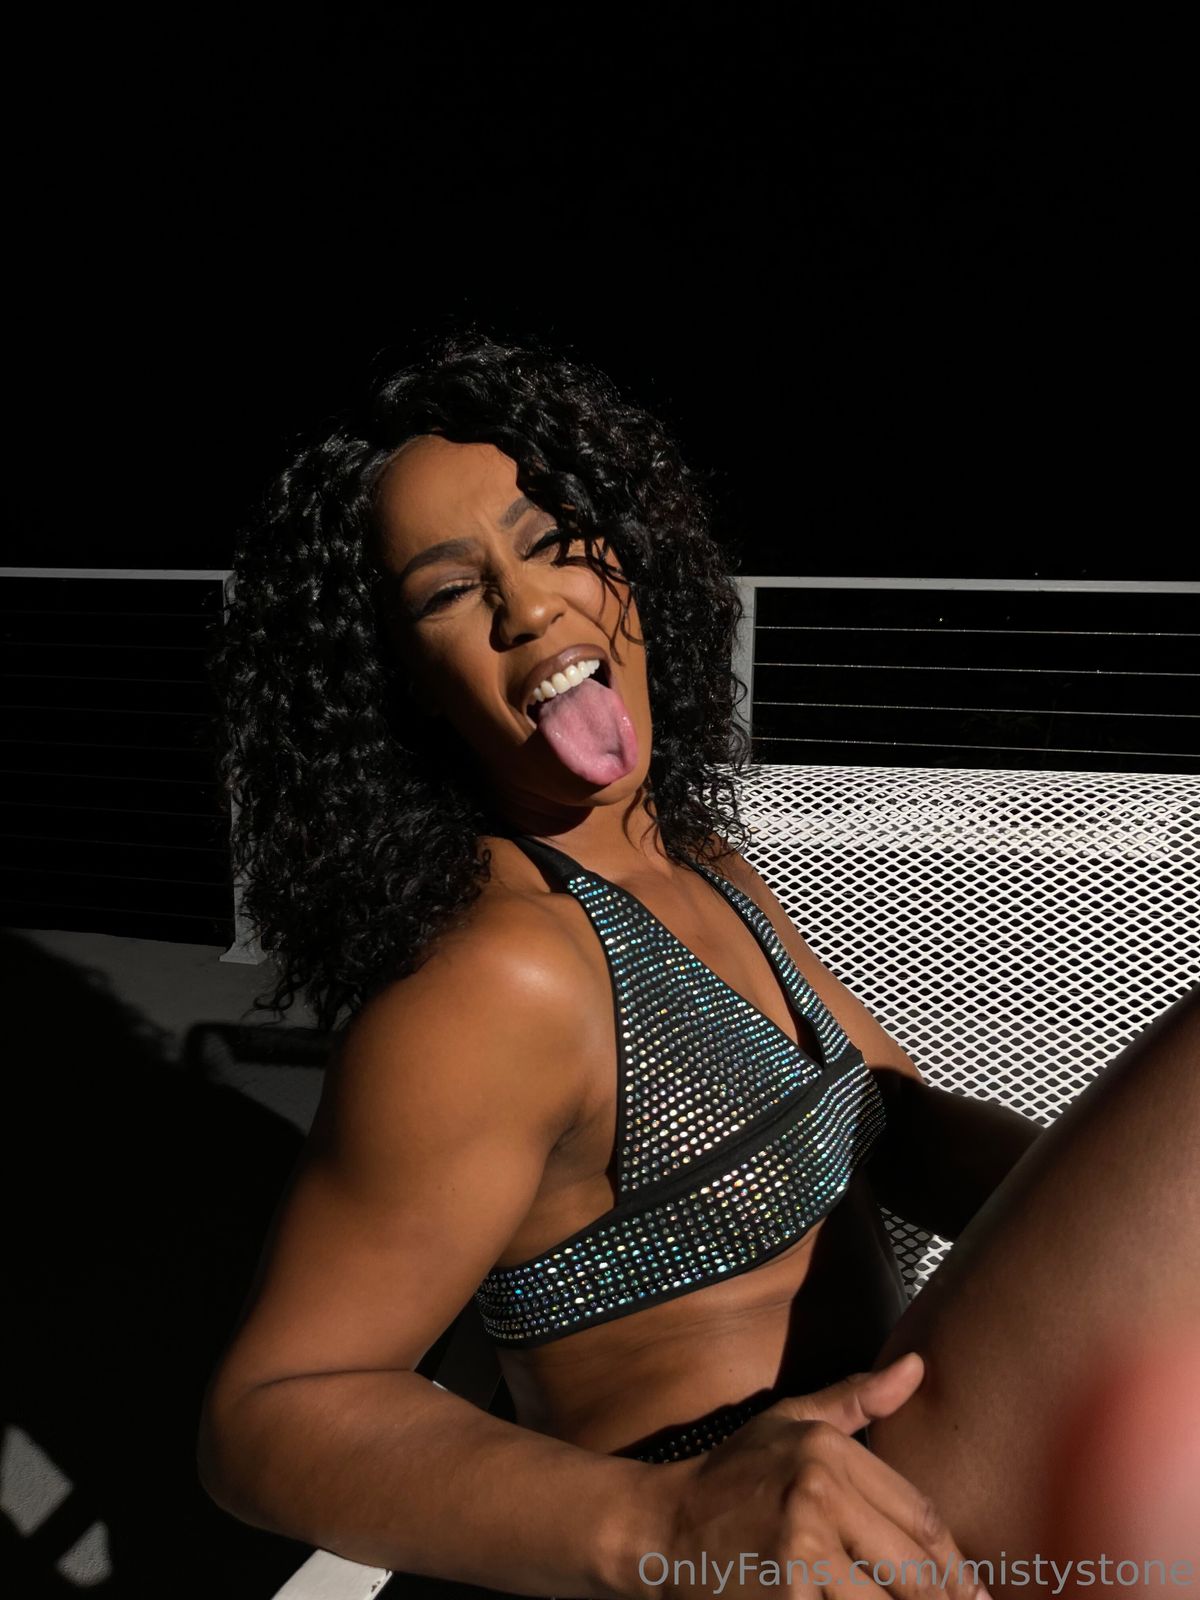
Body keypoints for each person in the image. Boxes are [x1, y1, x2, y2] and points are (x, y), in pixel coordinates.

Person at [197, 329, 1199, 1599]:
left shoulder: (694, 858)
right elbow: (267, 1413)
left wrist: (1132, 1244)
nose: (529, 606)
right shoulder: (499, 978)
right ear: (402, 687)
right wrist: (666, 1520)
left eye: (555, 539)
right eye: (450, 593)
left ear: (629, 554)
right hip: (790, 1556)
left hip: (916, 1468)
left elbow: (908, 1127)